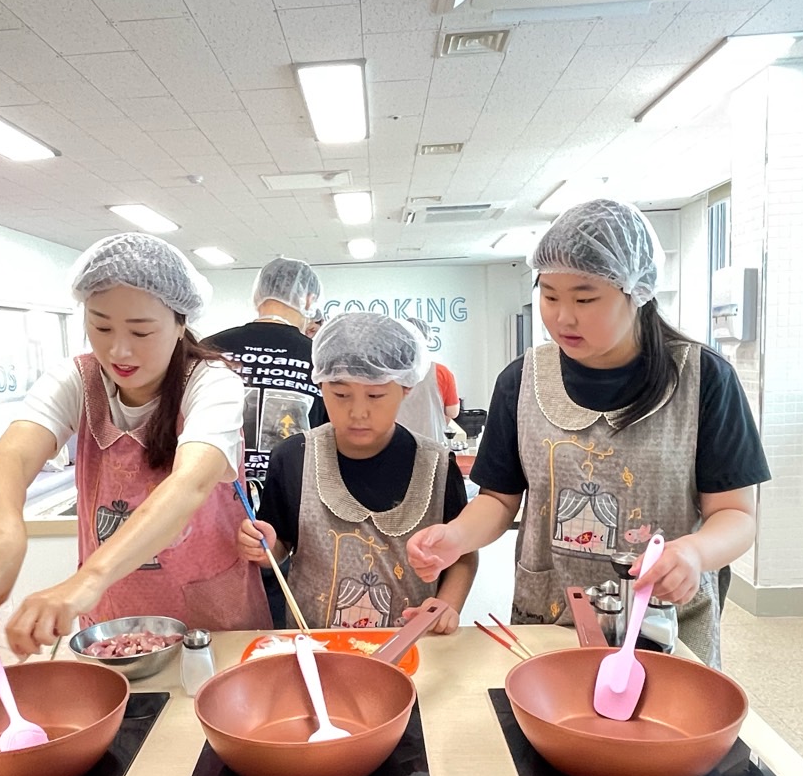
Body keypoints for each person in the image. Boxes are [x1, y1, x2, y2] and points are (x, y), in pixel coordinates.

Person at [407, 199, 769, 668]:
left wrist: (694, 553)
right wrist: (456, 537)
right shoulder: (522, 381)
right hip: (549, 619)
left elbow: (736, 515)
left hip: (662, 622)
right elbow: (498, 500)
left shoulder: (704, 379)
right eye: (549, 295)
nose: (563, 317)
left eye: (584, 298)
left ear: (636, 291)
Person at [0, 233, 269, 655]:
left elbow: (191, 483)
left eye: (141, 331)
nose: (119, 350)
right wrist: (4, 534)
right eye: (101, 326)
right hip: (114, 625)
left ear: (180, 324)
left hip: (213, 628)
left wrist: (87, 579)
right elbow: (12, 456)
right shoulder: (77, 379)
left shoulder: (212, 383)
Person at [238, 311, 477, 634]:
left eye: (375, 395)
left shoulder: (436, 465)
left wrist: (447, 603)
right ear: (320, 384)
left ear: (406, 387)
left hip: (411, 645)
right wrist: (265, 547)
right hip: (315, 648)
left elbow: (463, 553)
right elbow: (280, 544)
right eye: (341, 394)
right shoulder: (294, 457)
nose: (358, 412)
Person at [204, 256, 328, 628]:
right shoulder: (319, 358)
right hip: (291, 516)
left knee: (219, 625)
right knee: (281, 628)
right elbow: (328, 443)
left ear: (258, 294)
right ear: (309, 300)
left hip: (212, 512)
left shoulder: (209, 350)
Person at [396, 317, 457, 444]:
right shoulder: (441, 371)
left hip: (397, 442)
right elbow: (452, 412)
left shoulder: (390, 372)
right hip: (432, 442)